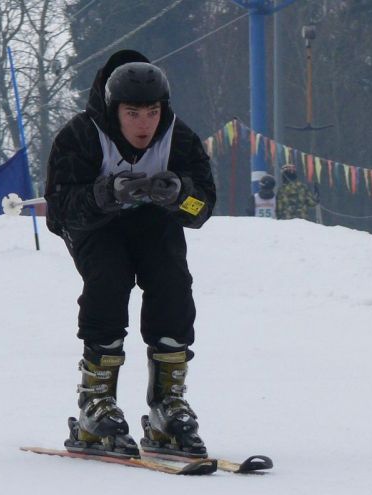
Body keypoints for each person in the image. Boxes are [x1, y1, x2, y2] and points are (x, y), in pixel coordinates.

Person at [44, 49, 216, 459]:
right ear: (113, 109)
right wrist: (105, 194)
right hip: (95, 228)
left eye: (152, 112)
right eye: (133, 113)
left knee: (172, 286)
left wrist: (180, 195)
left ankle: (167, 407)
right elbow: (59, 212)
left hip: (156, 225)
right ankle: (94, 406)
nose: (144, 124)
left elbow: (202, 209)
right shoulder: (80, 137)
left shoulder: (181, 140)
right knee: (108, 282)